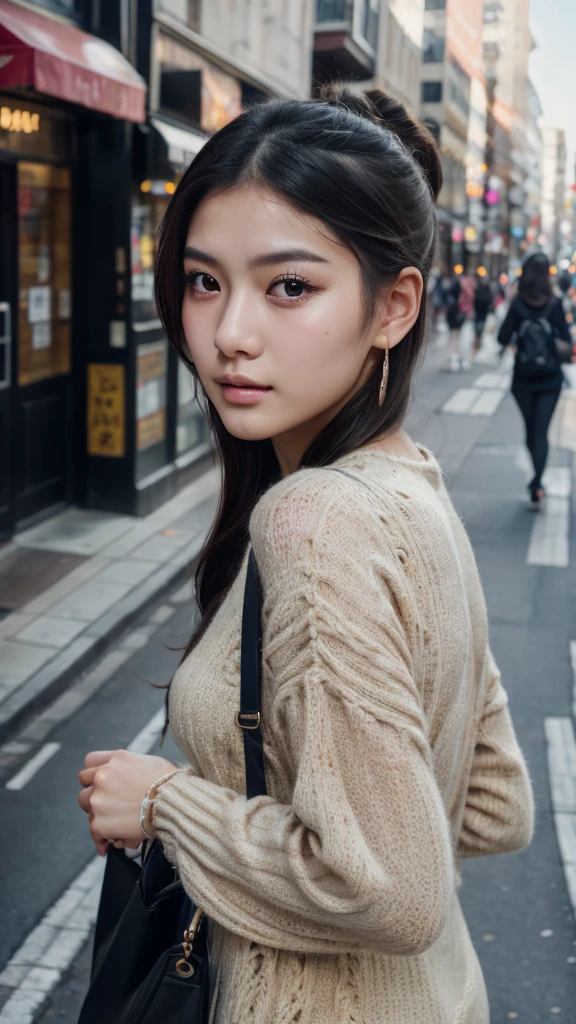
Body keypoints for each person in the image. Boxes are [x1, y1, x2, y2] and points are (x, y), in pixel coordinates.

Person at [77, 89, 533, 1023]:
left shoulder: (315, 521)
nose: (230, 334)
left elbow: (390, 892)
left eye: (290, 286)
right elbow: (492, 805)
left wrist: (170, 803)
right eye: (205, 281)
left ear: (394, 305)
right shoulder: (416, 490)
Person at [498, 252, 571, 509]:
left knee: (531, 431)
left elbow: (502, 337)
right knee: (541, 432)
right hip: (550, 379)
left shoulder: (518, 304)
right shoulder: (555, 304)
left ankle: (536, 480)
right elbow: (566, 341)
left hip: (523, 379)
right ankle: (537, 484)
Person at [472, 273, 493, 355]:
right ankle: (478, 342)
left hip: (480, 312)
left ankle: (477, 342)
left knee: (478, 328)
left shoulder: (481, 289)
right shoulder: (484, 289)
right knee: (479, 328)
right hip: (481, 312)